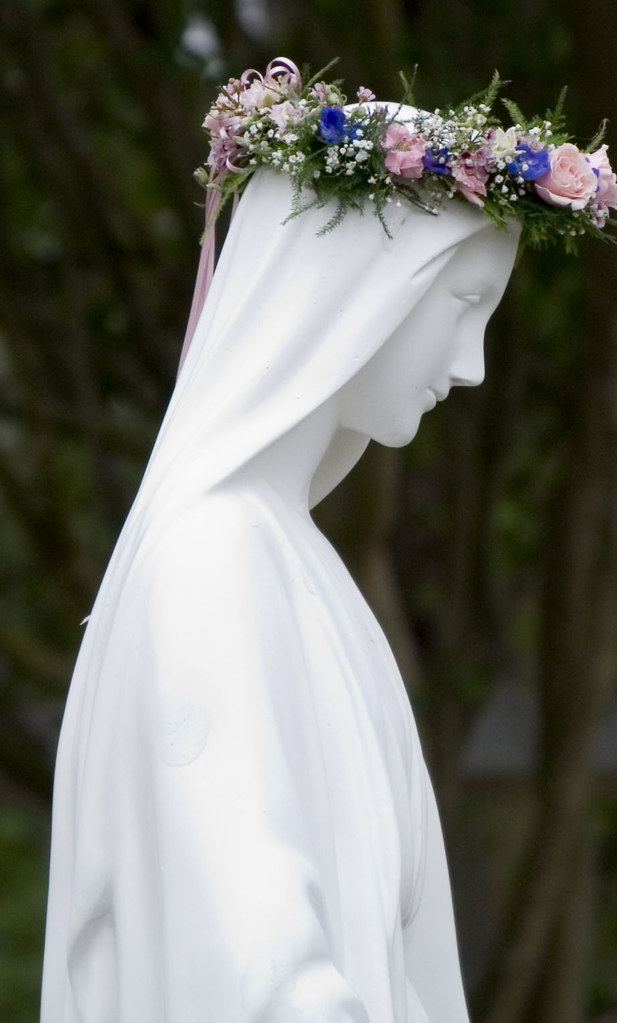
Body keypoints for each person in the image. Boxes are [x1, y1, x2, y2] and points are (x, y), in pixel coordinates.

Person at [40, 159, 518, 1022]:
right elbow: (252, 946)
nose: (475, 365)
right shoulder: (213, 556)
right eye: (463, 305)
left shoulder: (295, 558)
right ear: (355, 285)